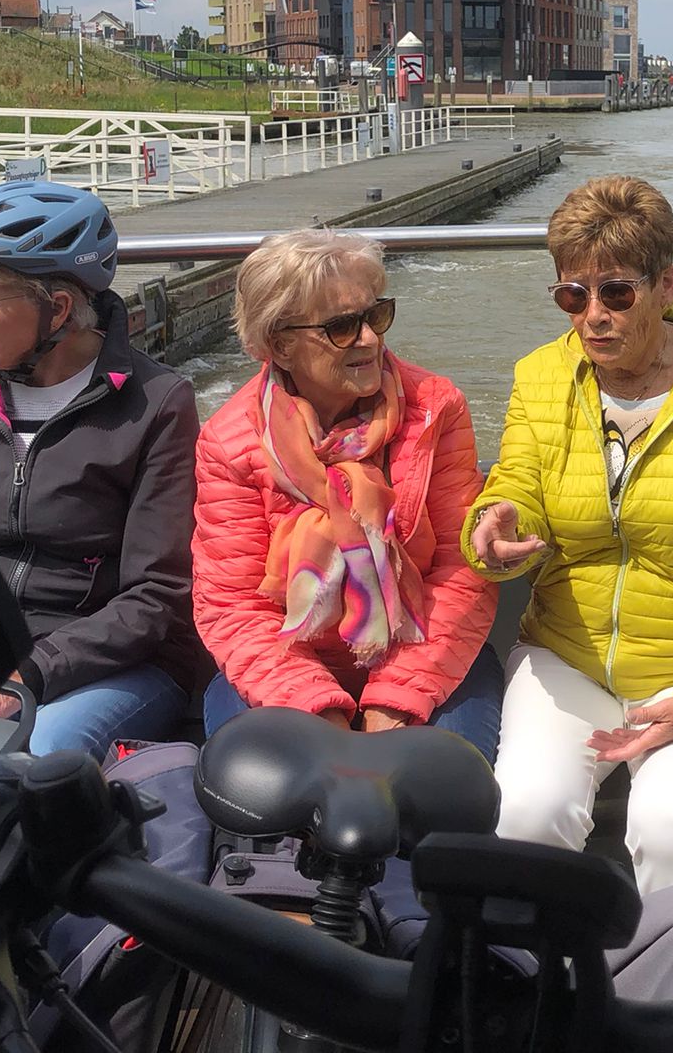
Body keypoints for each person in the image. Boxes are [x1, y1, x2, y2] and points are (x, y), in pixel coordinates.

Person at [464, 175, 673, 906]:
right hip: (570, 657)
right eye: (572, 296)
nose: (592, 318)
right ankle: (539, 997)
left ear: (665, 285)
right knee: (527, 811)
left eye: (616, 293)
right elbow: (520, 478)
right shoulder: (542, 377)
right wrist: (498, 521)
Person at [0, 180, 202, 758]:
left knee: (40, 755)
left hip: (113, 661)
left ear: (56, 310)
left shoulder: (157, 404)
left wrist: (29, 674)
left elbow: (158, 593)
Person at [192, 230, 503, 757]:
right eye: (341, 327)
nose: (368, 339)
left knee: (437, 784)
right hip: (283, 670)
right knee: (275, 786)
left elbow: (461, 567)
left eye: (375, 316)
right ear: (278, 345)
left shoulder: (435, 408)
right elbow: (232, 603)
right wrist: (322, 710)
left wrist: (395, 699)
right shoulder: (228, 440)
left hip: (427, 655)